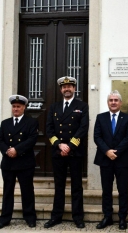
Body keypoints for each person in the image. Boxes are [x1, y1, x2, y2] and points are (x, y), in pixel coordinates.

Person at [44, 76, 89, 229]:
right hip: (58, 152)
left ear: (74, 88)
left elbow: (83, 128)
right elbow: (49, 129)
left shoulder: (82, 106)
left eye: (69, 86)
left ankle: (78, 217)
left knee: (76, 185)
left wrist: (69, 146)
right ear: (61, 90)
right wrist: (59, 145)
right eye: (64, 87)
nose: (67, 89)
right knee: (59, 185)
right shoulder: (54, 107)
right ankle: (56, 216)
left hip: (74, 151)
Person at [0, 95, 38, 229]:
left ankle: (30, 217)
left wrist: (17, 150)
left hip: (25, 162)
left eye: (18, 106)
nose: (16, 109)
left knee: (27, 191)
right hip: (8, 162)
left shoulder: (31, 122)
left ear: (24, 107)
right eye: (14, 106)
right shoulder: (5, 123)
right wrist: (7, 150)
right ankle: (5, 218)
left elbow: (32, 139)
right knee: (8, 191)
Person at [93, 90, 128, 230]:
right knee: (106, 190)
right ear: (108, 102)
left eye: (116, 100)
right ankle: (107, 217)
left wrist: (116, 152)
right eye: (111, 100)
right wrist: (107, 151)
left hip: (122, 159)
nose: (113, 102)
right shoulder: (100, 117)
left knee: (123, 190)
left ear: (120, 103)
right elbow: (97, 137)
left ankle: (122, 218)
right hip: (105, 159)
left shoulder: (127, 118)